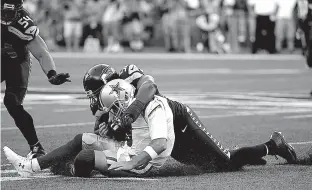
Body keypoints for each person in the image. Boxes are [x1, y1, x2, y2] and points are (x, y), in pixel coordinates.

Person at [3, 78, 299, 177]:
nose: (112, 113)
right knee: (82, 140)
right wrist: (110, 133)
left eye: (115, 107)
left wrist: (132, 160)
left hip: (173, 131)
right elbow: (120, 128)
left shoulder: (151, 105)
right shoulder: (120, 99)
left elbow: (157, 144)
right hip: (139, 148)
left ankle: (273, 145)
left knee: (226, 163)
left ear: (126, 98)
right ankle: (34, 165)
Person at [1, 0, 71, 158]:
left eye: (9, 13)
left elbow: (41, 52)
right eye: (3, 11)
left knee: (12, 102)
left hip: (16, 62)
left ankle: (36, 147)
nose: (6, 16)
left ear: (18, 10)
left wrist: (51, 74)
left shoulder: (24, 24)